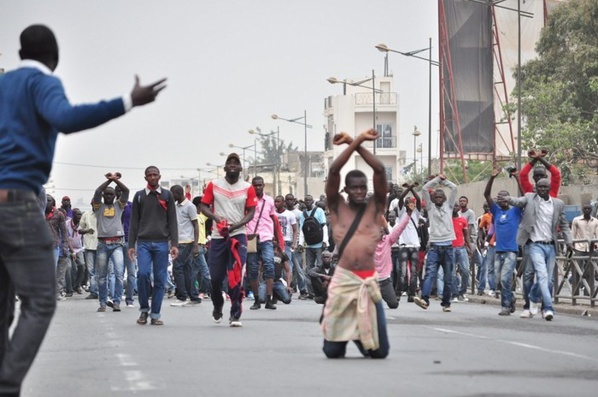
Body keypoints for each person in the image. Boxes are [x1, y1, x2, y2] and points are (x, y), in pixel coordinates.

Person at [0, 24, 165, 396]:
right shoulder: (42, 82)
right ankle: (7, 384)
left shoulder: (3, 84)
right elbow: (67, 118)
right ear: (54, 57)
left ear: (21, 52)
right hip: (18, 205)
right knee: (40, 302)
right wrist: (128, 101)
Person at [321, 129, 389, 359]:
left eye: (363, 187)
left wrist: (355, 142)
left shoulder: (375, 207)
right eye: (354, 187)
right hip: (344, 281)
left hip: (368, 281)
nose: (359, 191)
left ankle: (361, 334)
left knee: (380, 352)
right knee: (332, 352)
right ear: (346, 190)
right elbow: (333, 171)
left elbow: (379, 169)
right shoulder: (337, 208)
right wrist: (355, 141)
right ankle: (349, 333)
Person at [498, 178, 573, 321]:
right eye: (539, 187)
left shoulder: (558, 204)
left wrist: (569, 242)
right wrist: (508, 198)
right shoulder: (529, 198)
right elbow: (518, 201)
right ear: (536, 188)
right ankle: (527, 306)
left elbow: (564, 224)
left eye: (545, 187)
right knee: (528, 276)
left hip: (550, 245)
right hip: (532, 244)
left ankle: (545, 307)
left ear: (549, 188)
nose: (542, 189)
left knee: (548, 279)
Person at [199, 153, 257, 328]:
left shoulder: (248, 187)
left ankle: (235, 314)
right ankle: (218, 304)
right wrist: (217, 219)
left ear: (240, 168)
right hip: (218, 236)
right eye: (229, 162)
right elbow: (203, 206)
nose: (232, 165)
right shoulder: (214, 185)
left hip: (238, 234)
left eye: (236, 163)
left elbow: (251, 212)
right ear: (224, 167)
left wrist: (237, 225)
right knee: (215, 278)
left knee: (236, 276)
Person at [128, 166, 179, 325]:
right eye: (149, 175)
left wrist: (174, 244)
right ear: (145, 178)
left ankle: (155, 314)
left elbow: (172, 221)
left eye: (154, 175)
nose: (152, 177)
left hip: (162, 243)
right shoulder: (139, 196)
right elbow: (134, 222)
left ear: (159, 177)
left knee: (160, 279)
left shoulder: (167, 195)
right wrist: (131, 245)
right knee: (142, 274)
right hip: (143, 243)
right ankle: (144, 310)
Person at [415, 175, 458, 312]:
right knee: (430, 274)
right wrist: (436, 180)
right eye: (436, 197)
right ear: (433, 199)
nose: (438, 198)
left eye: (441, 197)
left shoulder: (449, 206)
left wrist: (444, 181)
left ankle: (446, 303)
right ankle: (425, 300)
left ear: (444, 198)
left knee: (448, 277)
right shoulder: (430, 207)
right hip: (434, 246)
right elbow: (425, 188)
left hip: (448, 247)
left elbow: (455, 188)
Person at [485, 168, 523, 316]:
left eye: (504, 197)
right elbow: (486, 194)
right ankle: (511, 297)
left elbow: (523, 196)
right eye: (499, 198)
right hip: (498, 250)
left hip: (511, 251)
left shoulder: (515, 211)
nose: (501, 199)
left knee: (506, 278)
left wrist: (517, 178)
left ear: (509, 199)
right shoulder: (496, 211)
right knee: (498, 281)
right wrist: (492, 178)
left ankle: (505, 306)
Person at [93, 173, 129, 313]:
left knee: (119, 274)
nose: (108, 196)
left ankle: (116, 302)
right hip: (102, 244)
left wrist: (116, 180)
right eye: (106, 194)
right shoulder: (98, 206)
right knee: (102, 276)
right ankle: (102, 303)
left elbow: (126, 191)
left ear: (115, 196)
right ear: (103, 196)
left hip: (117, 244)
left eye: (111, 194)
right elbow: (97, 191)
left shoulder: (119, 206)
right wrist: (109, 181)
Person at [246, 176, 281, 311]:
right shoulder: (247, 201)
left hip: (266, 238)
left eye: (260, 185)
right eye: (255, 185)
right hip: (252, 238)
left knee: (269, 265)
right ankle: (256, 300)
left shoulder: (270, 201)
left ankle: (269, 299)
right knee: (253, 270)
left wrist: (277, 240)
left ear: (263, 185)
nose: (257, 188)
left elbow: (274, 220)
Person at [169, 185, 200, 307]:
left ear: (178, 193)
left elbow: (196, 225)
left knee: (177, 268)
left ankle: (182, 297)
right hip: (178, 242)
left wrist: (196, 244)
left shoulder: (190, 206)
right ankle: (193, 296)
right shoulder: (175, 206)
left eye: (173, 194)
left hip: (186, 242)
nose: (171, 197)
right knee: (188, 270)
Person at [375, 214, 409, 309]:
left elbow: (400, 228)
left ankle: (382, 294)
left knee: (394, 304)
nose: (380, 230)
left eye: (382, 228)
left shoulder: (388, 240)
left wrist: (409, 215)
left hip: (385, 281)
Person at [395, 184, 422, 302]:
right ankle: (398, 293)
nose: (410, 202)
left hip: (415, 246)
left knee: (413, 272)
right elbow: (401, 198)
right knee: (402, 271)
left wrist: (412, 189)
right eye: (408, 201)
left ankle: (411, 294)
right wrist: (409, 188)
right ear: (405, 205)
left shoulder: (416, 213)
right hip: (404, 246)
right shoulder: (402, 213)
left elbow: (419, 200)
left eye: (411, 201)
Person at [450, 203, 472, 303]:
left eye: (456, 206)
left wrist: (470, 247)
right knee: (452, 273)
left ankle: (462, 292)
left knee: (466, 270)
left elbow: (466, 235)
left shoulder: (463, 220)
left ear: (459, 208)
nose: (454, 208)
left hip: (461, 247)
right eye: (453, 206)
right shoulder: (448, 220)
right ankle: (454, 294)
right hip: (450, 248)